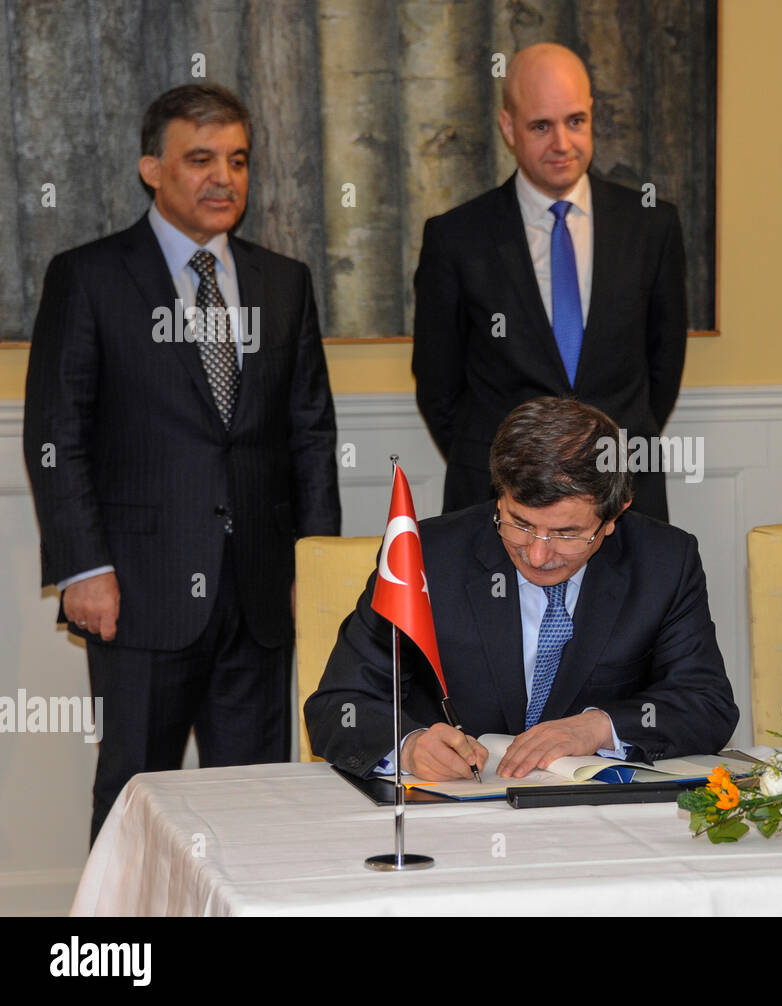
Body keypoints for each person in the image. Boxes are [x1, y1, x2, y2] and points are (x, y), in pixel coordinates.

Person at [23, 84, 341, 844]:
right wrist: (82, 568)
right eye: (200, 159)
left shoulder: (283, 282)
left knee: (259, 802)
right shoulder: (90, 277)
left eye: (237, 160)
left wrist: (317, 565)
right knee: (135, 797)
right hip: (136, 591)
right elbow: (56, 434)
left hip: (261, 596)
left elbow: (311, 434)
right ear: (150, 169)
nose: (223, 178)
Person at [306, 397, 737, 780]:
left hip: (592, 816)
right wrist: (410, 746)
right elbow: (338, 706)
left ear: (613, 516)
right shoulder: (425, 556)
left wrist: (599, 726)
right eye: (520, 523)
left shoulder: (664, 561)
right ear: (499, 496)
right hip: (450, 815)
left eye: (567, 534)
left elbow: (706, 703)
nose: (537, 555)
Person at [412, 42, 687, 524]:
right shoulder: (456, 237)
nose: (562, 142)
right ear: (508, 128)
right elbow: (438, 386)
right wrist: (505, 458)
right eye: (541, 126)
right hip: (495, 501)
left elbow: (663, 367)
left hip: (624, 497)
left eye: (575, 121)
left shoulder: (651, 226)